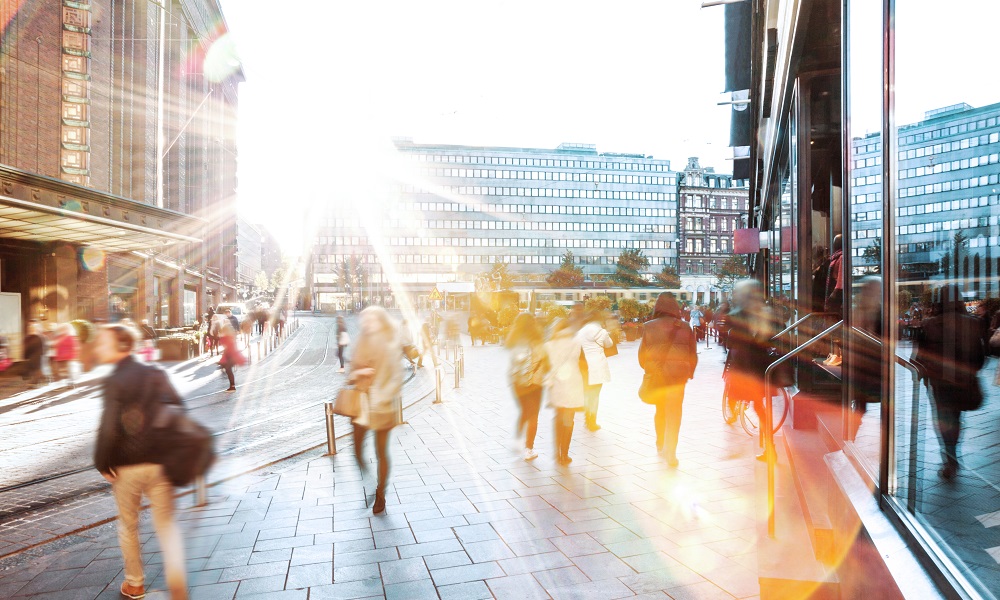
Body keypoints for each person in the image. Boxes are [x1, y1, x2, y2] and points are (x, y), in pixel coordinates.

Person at [92, 324, 188, 600]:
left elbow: (109, 426)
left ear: (121, 346)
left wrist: (102, 461)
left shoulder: (115, 379)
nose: (99, 347)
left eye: (103, 342)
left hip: (128, 466)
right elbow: (177, 408)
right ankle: (177, 582)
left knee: (129, 524)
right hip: (160, 464)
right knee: (166, 524)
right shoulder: (154, 372)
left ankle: (135, 584)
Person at [914, 284, 987, 481]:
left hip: (939, 382)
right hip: (962, 381)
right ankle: (953, 456)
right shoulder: (972, 323)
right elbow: (981, 357)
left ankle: (949, 459)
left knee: (944, 419)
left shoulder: (929, 324)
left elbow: (918, 357)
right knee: (956, 419)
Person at [348, 306, 403, 514]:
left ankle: (380, 494)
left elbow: (396, 377)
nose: (366, 322)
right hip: (361, 404)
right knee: (356, 451)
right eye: (364, 318)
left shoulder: (390, 342)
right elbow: (352, 371)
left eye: (371, 318)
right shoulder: (362, 340)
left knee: (381, 452)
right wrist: (360, 371)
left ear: (381, 320)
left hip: (383, 406)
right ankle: (371, 483)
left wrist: (383, 397)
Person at [638, 293, 698, 466]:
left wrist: (650, 369)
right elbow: (693, 354)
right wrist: (688, 373)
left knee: (660, 410)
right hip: (678, 378)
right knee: (674, 413)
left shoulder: (648, 327)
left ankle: (660, 444)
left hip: (658, 377)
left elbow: (642, 356)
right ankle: (671, 452)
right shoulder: (685, 327)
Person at [725, 280, 781, 458]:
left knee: (758, 406)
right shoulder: (766, 313)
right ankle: (769, 447)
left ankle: (770, 448)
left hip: (748, 369)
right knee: (761, 408)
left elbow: (732, 342)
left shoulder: (739, 314)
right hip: (764, 368)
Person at [506, 313, 550, 461]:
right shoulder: (538, 341)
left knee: (524, 412)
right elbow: (547, 363)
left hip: (516, 383)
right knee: (533, 415)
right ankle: (528, 449)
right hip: (534, 383)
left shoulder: (513, 341)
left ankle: (517, 442)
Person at [544, 318, 584, 465]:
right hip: (572, 385)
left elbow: (546, 366)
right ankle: (564, 454)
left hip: (556, 385)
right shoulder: (576, 343)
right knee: (568, 420)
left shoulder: (548, 345)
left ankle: (556, 451)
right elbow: (582, 363)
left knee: (558, 418)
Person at [576, 310, 614, 431]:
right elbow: (609, 344)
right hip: (598, 366)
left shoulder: (580, 332)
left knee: (587, 393)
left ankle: (587, 418)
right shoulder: (602, 332)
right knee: (595, 395)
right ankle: (592, 421)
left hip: (585, 366)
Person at [50, 323, 80, 388]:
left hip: (69, 357)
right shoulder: (58, 337)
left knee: (70, 371)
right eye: (62, 329)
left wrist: (75, 356)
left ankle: (71, 383)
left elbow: (75, 347)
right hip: (60, 357)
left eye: (65, 329)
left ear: (69, 329)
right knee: (58, 372)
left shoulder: (71, 337)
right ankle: (58, 384)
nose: (63, 330)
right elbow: (54, 345)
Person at [218, 325, 245, 391]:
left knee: (228, 370)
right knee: (228, 370)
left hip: (231, 356)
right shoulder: (230, 337)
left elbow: (227, 346)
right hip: (231, 356)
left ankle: (232, 386)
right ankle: (232, 386)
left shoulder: (227, 338)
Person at [22, 322, 46, 387]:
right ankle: (41, 379)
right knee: (35, 369)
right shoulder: (28, 338)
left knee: (36, 369)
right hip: (32, 356)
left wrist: (42, 355)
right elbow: (26, 348)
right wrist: (25, 355)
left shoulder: (38, 337)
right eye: (30, 328)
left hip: (37, 356)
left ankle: (35, 382)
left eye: (32, 328)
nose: (31, 330)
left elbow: (42, 347)